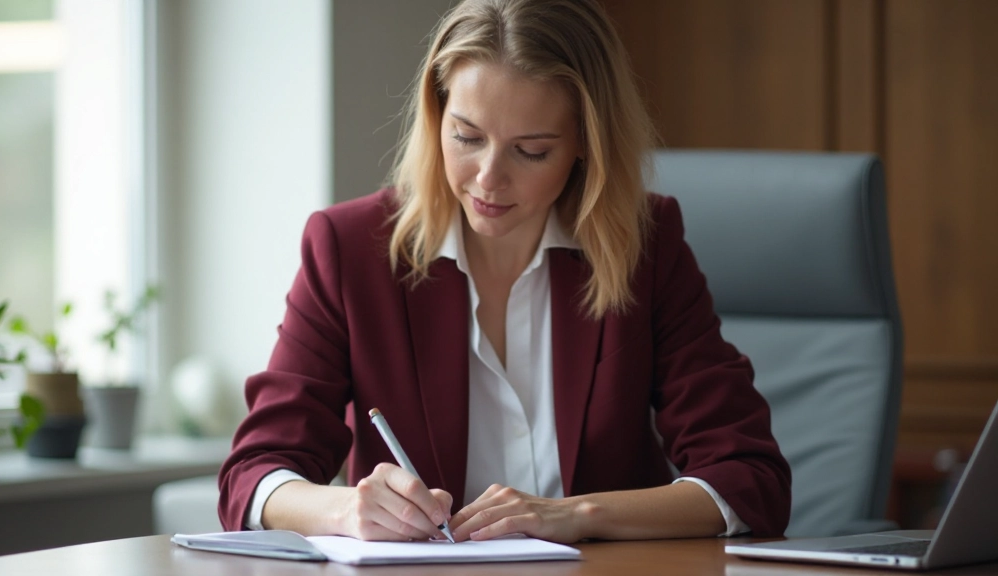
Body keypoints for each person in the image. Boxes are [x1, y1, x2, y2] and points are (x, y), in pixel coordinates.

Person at [218, 0, 791, 543]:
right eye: (467, 137)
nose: (488, 178)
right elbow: (254, 473)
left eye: (532, 150)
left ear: (585, 145)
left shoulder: (645, 246)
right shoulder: (350, 250)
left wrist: (577, 514)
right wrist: (345, 509)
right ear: (436, 116)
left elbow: (750, 477)